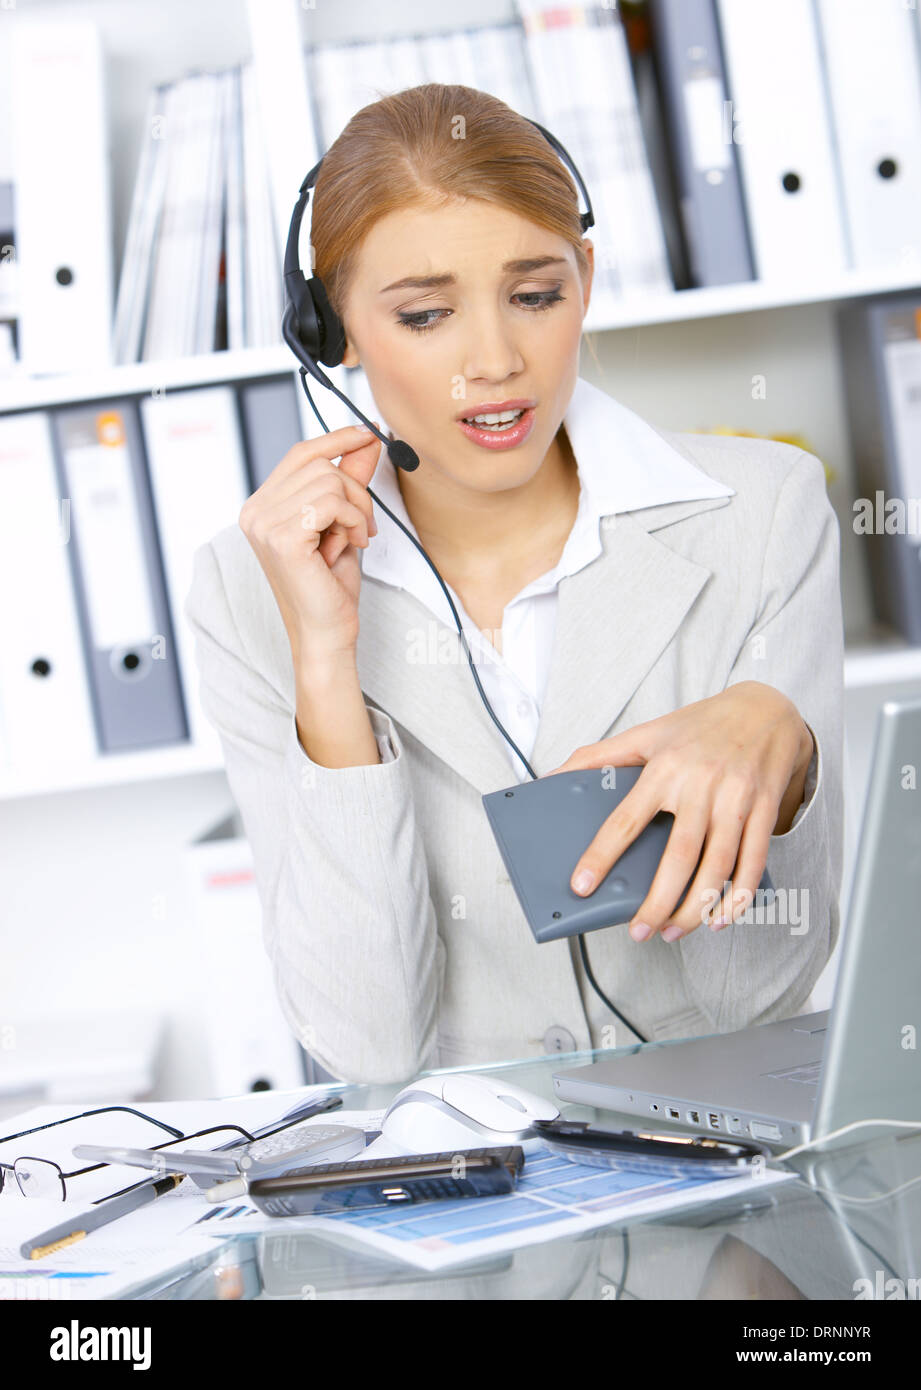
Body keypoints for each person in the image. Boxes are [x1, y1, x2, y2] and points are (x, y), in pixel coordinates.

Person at [184, 84, 844, 1086]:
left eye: (536, 296)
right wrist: (325, 665)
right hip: (462, 1203)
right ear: (335, 330)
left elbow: (765, 993)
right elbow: (365, 1045)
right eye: (426, 313)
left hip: (730, 1167)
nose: (493, 361)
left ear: (584, 279)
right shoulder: (244, 589)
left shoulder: (765, 511)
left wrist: (781, 754)